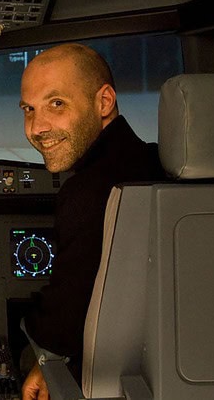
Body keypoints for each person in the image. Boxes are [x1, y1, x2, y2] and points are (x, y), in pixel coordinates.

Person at [18, 43, 165, 400]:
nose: (37, 128)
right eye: (29, 110)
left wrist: (37, 350)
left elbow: (63, 323)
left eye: (57, 104)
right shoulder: (161, 166)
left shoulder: (89, 190)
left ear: (104, 102)